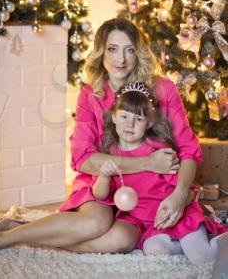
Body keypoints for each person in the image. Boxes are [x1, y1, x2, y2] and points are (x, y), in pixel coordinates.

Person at [0, 18, 204, 253]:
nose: (121, 60)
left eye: (129, 50)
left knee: (120, 242)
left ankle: (27, 230)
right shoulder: (90, 94)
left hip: (147, 191)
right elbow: (82, 159)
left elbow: (189, 150)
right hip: (101, 181)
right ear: (101, 52)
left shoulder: (162, 89)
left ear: (139, 53)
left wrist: (180, 194)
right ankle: (4, 239)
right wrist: (148, 162)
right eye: (112, 49)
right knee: (95, 223)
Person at [92, 82, 228, 265]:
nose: (130, 124)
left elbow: (186, 192)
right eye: (124, 116)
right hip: (154, 226)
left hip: (177, 216)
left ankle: (218, 241)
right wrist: (103, 176)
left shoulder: (159, 152)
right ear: (114, 117)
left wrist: (179, 204)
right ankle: (193, 245)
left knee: (202, 257)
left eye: (138, 119)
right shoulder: (111, 154)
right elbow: (100, 195)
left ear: (149, 123)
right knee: (155, 251)